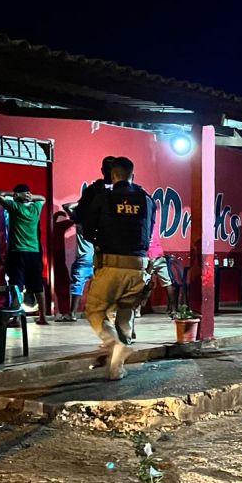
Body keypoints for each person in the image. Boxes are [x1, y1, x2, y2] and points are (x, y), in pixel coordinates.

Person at [79, 157, 155, 380]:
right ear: (133, 173)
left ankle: (114, 343)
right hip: (139, 267)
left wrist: (99, 239)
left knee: (95, 311)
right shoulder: (146, 198)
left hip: (112, 265)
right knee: (125, 314)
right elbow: (148, 231)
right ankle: (116, 368)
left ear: (113, 175)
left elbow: (87, 228)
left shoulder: (104, 196)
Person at [59, 156, 116, 321]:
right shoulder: (120, 193)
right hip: (106, 252)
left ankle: (73, 313)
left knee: (80, 284)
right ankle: (103, 313)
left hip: (90, 255)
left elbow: (70, 207)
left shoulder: (92, 193)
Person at [0, 184, 48, 325]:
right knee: (37, 286)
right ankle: (43, 317)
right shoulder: (36, 208)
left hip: (17, 253)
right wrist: (30, 195)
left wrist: (15, 195)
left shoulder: (14, 208)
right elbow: (42, 198)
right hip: (34, 253)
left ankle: (17, 318)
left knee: (17, 285)